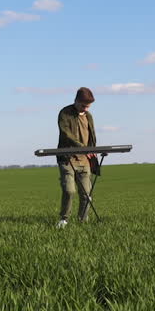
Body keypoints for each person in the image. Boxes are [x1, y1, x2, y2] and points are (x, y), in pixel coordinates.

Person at [55, 87, 97, 228]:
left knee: (86, 193)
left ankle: (82, 221)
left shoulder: (89, 116)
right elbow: (66, 134)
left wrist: (93, 150)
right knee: (69, 190)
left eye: (88, 106)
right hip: (67, 158)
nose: (85, 109)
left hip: (84, 159)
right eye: (83, 105)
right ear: (76, 101)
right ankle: (64, 219)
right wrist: (82, 147)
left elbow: (92, 135)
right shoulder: (65, 113)